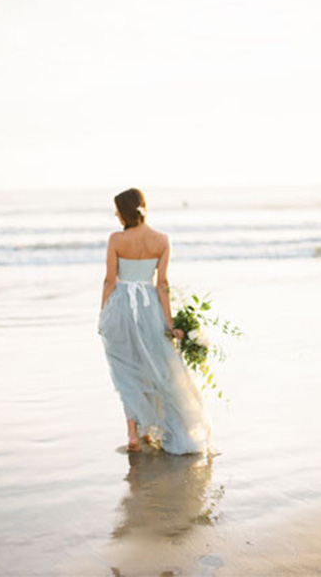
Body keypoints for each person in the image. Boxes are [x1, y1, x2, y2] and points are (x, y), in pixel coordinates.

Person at [99, 187, 210, 454]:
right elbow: (162, 284)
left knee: (126, 370)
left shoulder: (116, 239)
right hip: (150, 306)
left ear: (124, 212)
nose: (115, 214)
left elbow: (109, 281)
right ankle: (151, 430)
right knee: (155, 368)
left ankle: (134, 433)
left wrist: (103, 314)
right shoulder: (162, 239)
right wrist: (169, 323)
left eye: (117, 209)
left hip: (122, 306)